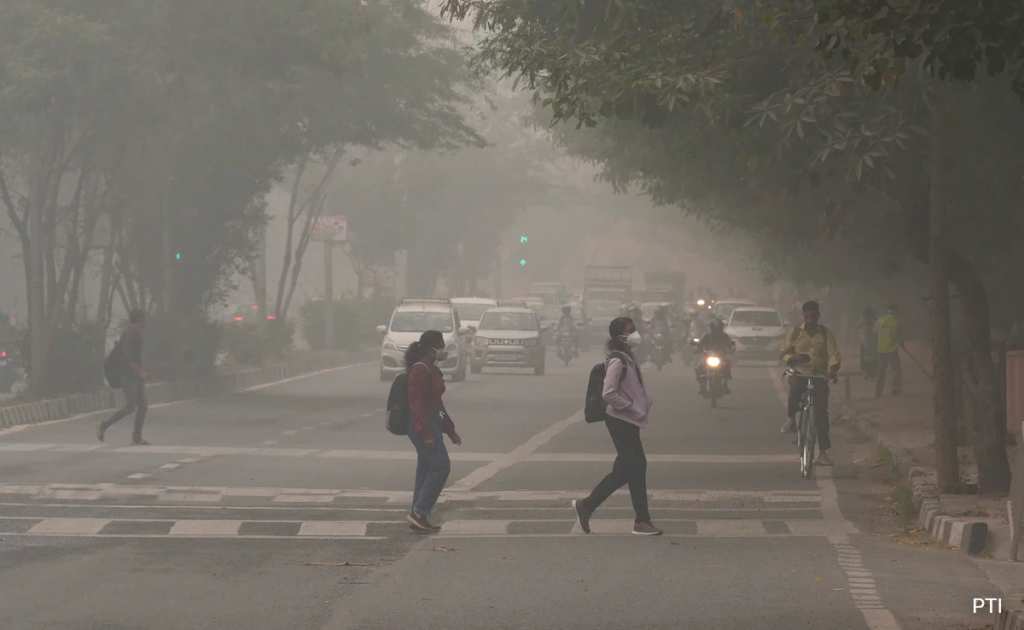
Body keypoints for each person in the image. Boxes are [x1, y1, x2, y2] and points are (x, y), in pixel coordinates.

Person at [572, 317, 661, 536]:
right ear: (619, 335)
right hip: (621, 421)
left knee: (627, 470)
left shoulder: (628, 357)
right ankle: (641, 521)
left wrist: (645, 402)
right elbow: (608, 393)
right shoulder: (617, 361)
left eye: (635, 329)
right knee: (636, 467)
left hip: (629, 420)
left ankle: (587, 506)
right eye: (631, 331)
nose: (635, 334)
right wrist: (631, 407)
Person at [405, 330, 463, 532]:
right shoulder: (420, 371)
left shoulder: (431, 369)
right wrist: (425, 433)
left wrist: (450, 430)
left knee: (426, 469)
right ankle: (420, 511)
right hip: (423, 424)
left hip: (432, 422)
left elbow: (437, 404)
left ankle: (418, 514)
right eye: (440, 346)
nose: (443, 350)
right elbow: (417, 405)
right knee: (441, 466)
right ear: (430, 348)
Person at [779, 301, 841, 466]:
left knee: (821, 414)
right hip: (800, 372)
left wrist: (833, 369)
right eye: (806, 317)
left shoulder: (826, 334)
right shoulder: (794, 333)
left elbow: (834, 354)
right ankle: (791, 419)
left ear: (818, 316)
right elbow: (784, 353)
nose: (809, 320)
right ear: (802, 316)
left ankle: (823, 452)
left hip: (819, 375)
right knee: (794, 391)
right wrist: (793, 358)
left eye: (813, 317)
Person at [97, 309, 151, 445]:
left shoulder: (135, 334)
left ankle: (136, 437)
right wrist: (141, 372)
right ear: (140, 320)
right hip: (128, 376)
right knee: (130, 406)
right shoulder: (129, 335)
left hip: (135, 377)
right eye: (144, 320)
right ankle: (103, 425)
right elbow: (127, 358)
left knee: (143, 405)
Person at [694, 318, 735, 395]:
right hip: (707, 356)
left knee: (727, 364)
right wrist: (697, 349)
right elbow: (700, 345)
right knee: (698, 367)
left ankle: (725, 385)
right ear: (712, 329)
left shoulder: (725, 336)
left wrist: (732, 348)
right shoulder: (707, 336)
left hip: (720, 357)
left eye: (719, 329)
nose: (717, 331)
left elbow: (730, 344)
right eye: (716, 329)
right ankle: (702, 385)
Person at [874, 304, 903, 397]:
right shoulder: (895, 322)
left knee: (881, 370)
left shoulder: (880, 320)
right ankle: (895, 388)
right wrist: (901, 342)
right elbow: (898, 336)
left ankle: (878, 390)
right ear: (895, 312)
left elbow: (875, 332)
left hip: (881, 349)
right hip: (892, 350)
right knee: (895, 369)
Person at [857, 307, 879, 381]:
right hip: (874, 342)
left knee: (865, 359)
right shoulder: (875, 321)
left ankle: (868, 373)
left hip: (865, 342)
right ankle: (871, 374)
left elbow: (857, 327)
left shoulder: (862, 320)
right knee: (873, 358)